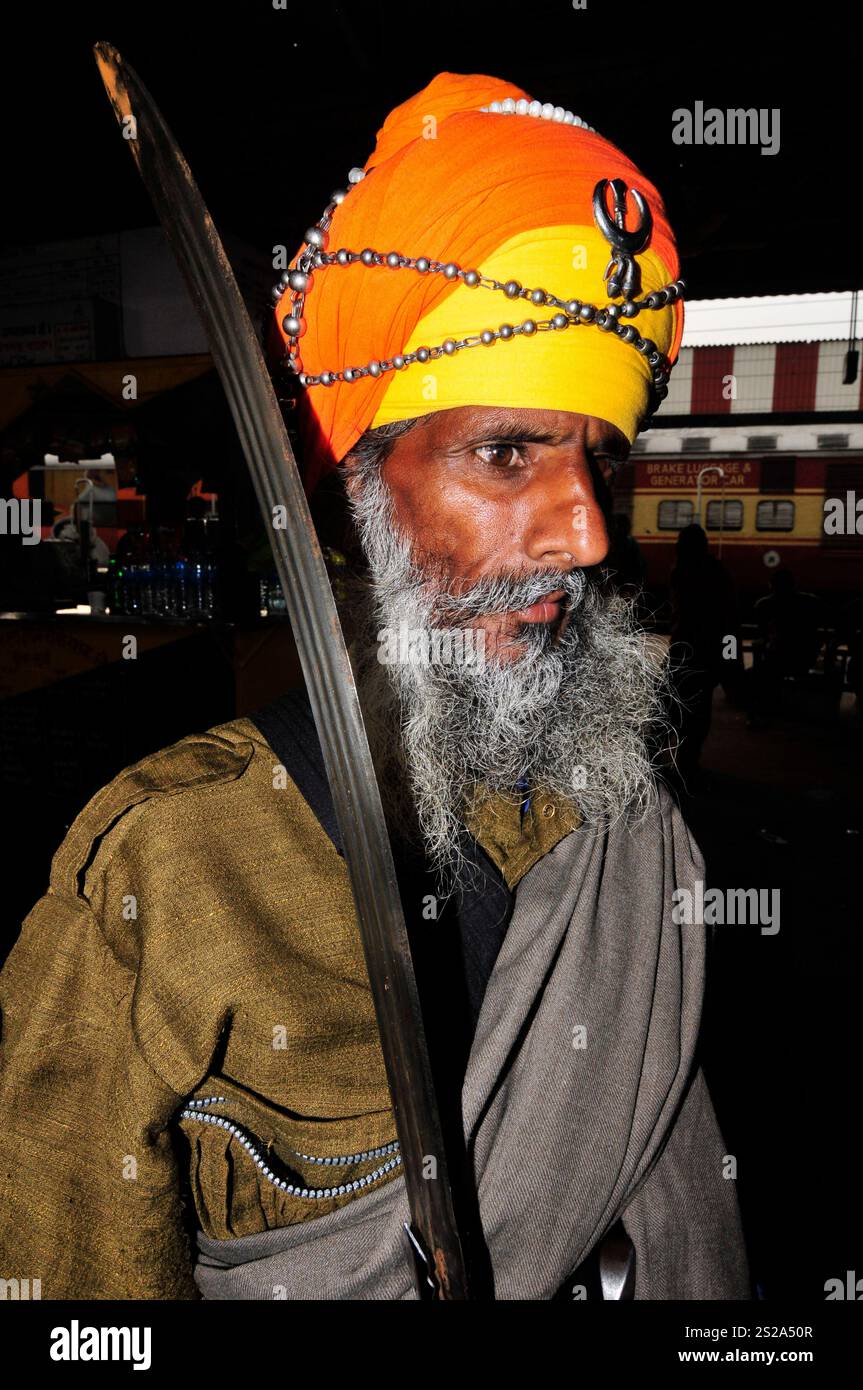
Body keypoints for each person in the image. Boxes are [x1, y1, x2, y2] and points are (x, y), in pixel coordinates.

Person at [0, 73, 750, 1301]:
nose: (584, 532)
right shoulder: (172, 869)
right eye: (505, 452)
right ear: (356, 487)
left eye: (596, 463)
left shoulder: (629, 817)